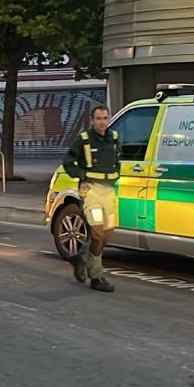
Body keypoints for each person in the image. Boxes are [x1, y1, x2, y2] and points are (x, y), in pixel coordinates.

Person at [61, 104, 121, 293]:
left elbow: (117, 160)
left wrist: (116, 173)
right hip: (92, 191)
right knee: (97, 233)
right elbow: (68, 162)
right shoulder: (84, 140)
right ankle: (96, 276)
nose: (102, 122)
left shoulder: (114, 138)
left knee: (108, 234)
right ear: (92, 120)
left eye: (105, 118)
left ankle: (80, 257)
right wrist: (82, 176)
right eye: (99, 118)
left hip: (109, 192)